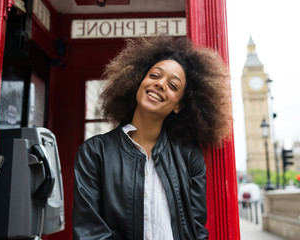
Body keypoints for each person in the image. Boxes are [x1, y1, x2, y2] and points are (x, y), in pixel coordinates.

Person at [73, 36, 232, 240]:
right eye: (155, 76)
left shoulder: (189, 156)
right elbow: (90, 234)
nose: (160, 84)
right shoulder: (95, 152)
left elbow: (196, 230)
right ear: (139, 81)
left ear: (179, 106)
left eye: (173, 86)